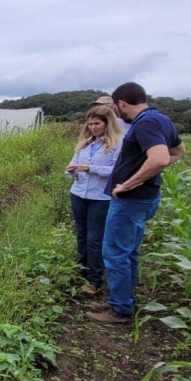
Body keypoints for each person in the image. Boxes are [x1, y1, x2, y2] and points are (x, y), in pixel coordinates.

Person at [87, 82, 185, 324]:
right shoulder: (161, 119)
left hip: (131, 201)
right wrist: (145, 174)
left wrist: (129, 183)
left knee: (116, 252)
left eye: (115, 107)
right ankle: (123, 299)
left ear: (121, 104)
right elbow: (179, 151)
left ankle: (119, 309)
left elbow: (161, 158)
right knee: (129, 251)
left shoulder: (146, 123)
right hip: (144, 198)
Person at [65, 106, 124, 296]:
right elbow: (72, 166)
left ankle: (94, 280)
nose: (93, 127)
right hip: (79, 193)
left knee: (95, 239)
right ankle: (81, 269)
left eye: (97, 123)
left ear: (107, 123)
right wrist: (71, 170)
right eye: (90, 124)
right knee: (81, 234)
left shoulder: (117, 143)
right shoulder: (85, 143)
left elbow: (117, 171)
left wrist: (91, 168)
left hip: (101, 197)